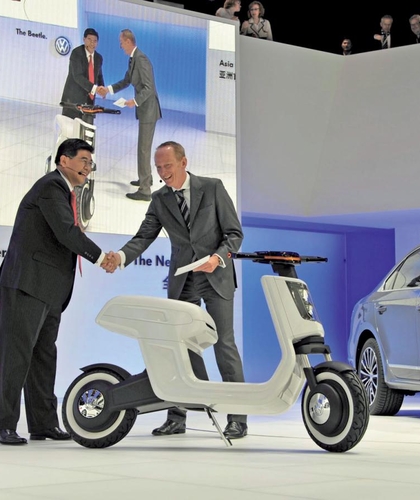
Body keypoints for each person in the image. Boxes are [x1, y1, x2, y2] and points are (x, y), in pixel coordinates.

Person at [104, 141, 248, 439]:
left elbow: (234, 234)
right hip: (184, 279)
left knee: (224, 345)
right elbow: (144, 236)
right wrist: (120, 256)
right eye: (158, 167)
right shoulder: (159, 199)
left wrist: (217, 258)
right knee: (177, 347)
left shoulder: (213, 187)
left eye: (167, 165)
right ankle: (176, 416)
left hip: (216, 275)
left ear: (183, 162)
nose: (162, 172)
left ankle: (238, 418)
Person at [0, 139, 113, 445]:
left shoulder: (64, 191)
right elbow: (66, 232)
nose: (88, 168)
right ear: (64, 160)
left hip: (48, 289)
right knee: (15, 357)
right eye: (84, 161)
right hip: (27, 284)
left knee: (44, 356)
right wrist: (101, 257)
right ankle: (3, 424)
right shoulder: (51, 186)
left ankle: (43, 424)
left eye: (90, 163)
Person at [97, 29, 161, 202]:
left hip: (149, 110)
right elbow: (126, 81)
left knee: (143, 149)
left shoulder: (141, 59)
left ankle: (145, 190)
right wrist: (108, 90)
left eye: (121, 42)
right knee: (143, 148)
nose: (120, 46)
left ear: (127, 41)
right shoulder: (133, 59)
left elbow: (149, 87)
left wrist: (135, 101)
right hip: (145, 110)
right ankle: (145, 179)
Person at [60, 28, 104, 125]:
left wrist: (102, 88)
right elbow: (78, 76)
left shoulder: (98, 58)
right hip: (73, 100)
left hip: (89, 102)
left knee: (87, 129)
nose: (92, 43)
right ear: (84, 39)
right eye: (89, 39)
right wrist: (95, 88)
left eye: (95, 41)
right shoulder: (76, 53)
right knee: (70, 129)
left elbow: (99, 75)